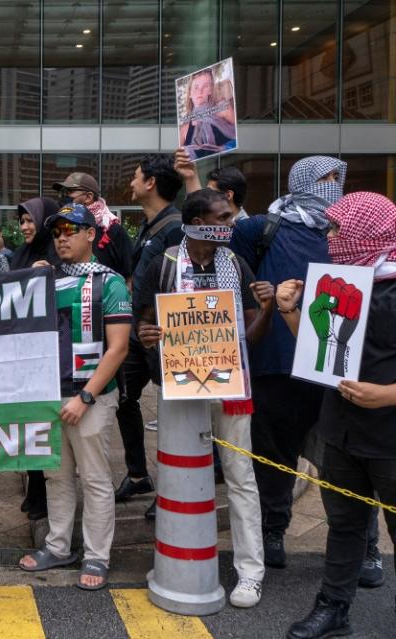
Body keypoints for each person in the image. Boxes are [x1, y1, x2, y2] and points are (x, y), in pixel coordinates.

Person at [137, 188, 273, 608]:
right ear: (197, 223)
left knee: (240, 478)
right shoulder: (164, 266)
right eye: (225, 217)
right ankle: (176, 558)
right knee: (176, 477)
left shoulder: (236, 264)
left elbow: (250, 337)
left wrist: (266, 309)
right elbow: (144, 326)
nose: (232, 224)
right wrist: (148, 338)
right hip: (179, 388)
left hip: (229, 389)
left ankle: (251, 573)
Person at [283, 192, 396, 638]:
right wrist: (291, 309)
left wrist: (388, 394)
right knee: (345, 524)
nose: (329, 238)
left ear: (367, 233)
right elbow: (318, 352)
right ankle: (333, 609)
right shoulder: (341, 281)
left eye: (337, 230)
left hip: (390, 438)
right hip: (342, 431)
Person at [228, 155, 347, 570]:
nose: (334, 185)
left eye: (337, 178)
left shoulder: (348, 232)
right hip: (275, 362)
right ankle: (273, 530)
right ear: (301, 182)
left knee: (343, 462)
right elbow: (233, 279)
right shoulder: (259, 228)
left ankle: (360, 544)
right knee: (274, 458)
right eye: (326, 178)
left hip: (333, 366)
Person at [18, 204, 131, 591]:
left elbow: (118, 349)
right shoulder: (46, 279)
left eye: (72, 229)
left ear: (91, 235)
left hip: (90, 398)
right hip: (51, 396)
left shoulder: (111, 283)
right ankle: (58, 545)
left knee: (96, 479)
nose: (62, 236)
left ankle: (97, 556)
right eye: (57, 231)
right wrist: (27, 282)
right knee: (56, 477)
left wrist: (85, 396)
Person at [114, 155, 184, 520]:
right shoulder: (148, 225)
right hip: (136, 333)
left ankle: (173, 486)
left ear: (152, 183)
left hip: (161, 336)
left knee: (171, 411)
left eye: (136, 177)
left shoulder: (176, 228)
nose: (132, 183)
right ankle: (138, 473)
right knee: (123, 398)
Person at [10, 197, 61, 521]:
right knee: (27, 423)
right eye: (22, 221)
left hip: (48, 357)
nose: (26, 227)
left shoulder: (57, 257)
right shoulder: (20, 255)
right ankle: (34, 491)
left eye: (31, 221)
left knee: (43, 426)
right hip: (22, 355)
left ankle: (43, 497)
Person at [54, 172, 134, 280]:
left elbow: (129, 276)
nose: (64, 196)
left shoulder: (112, 230)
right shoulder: (58, 231)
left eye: (70, 191)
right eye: (62, 192)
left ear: (88, 197)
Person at [174, 151, 251, 223]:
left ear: (228, 195)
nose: (207, 196)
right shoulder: (214, 223)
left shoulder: (245, 230)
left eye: (211, 192)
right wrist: (191, 177)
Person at [178, 68, 237, 159]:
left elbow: (241, 134)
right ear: (189, 93)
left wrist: (225, 148)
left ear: (210, 90)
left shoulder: (222, 108)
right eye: (196, 87)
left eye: (205, 86)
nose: (200, 91)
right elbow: (178, 159)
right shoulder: (184, 129)